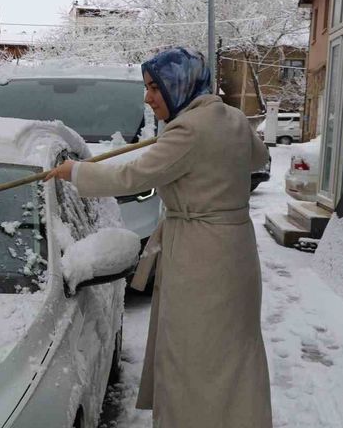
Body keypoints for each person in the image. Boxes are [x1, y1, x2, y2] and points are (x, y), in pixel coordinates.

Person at [45, 47, 272, 428]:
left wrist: (76, 172)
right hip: (235, 252)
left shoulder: (189, 130)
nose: (148, 98)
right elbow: (257, 156)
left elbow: (132, 176)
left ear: (179, 85)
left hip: (201, 257)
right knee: (231, 350)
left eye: (155, 88)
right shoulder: (230, 118)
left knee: (193, 354)